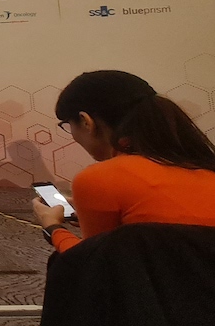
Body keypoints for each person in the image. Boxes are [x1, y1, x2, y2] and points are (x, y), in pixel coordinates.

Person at [32, 70, 215, 252]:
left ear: (86, 121)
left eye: (68, 126)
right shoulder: (203, 165)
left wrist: (53, 227)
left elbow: (95, 268)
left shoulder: (99, 179)